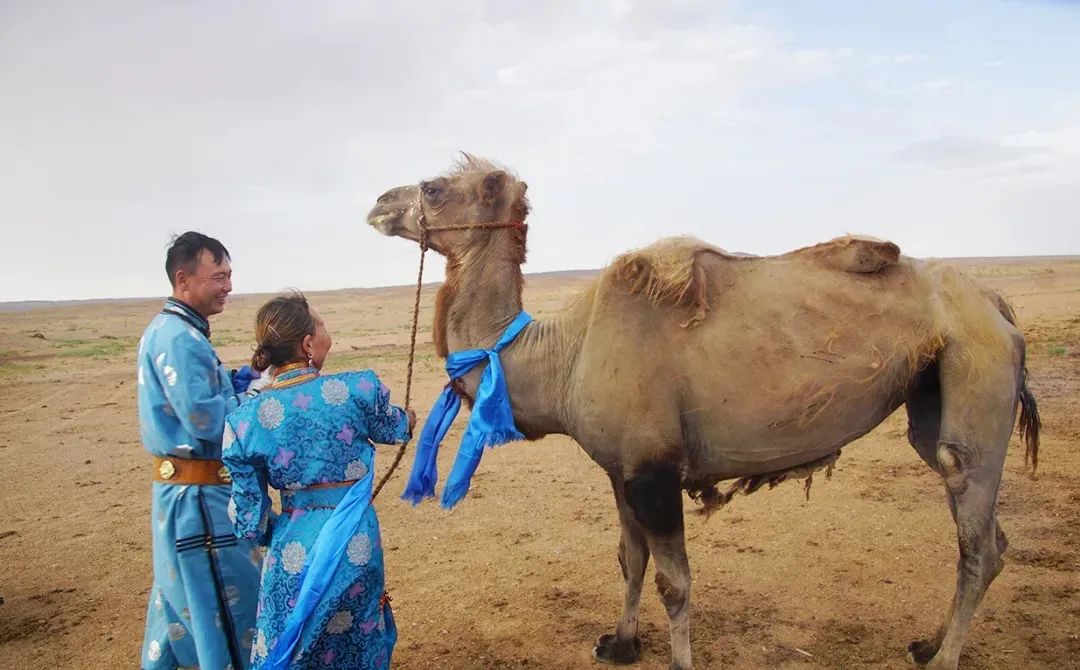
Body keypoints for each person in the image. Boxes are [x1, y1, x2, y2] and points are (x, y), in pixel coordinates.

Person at [222, 292, 415, 669]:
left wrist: (287, 530)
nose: (329, 335)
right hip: (354, 542)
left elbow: (248, 523)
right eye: (322, 327)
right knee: (356, 641)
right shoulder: (358, 391)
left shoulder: (243, 422)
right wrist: (409, 418)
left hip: (291, 550)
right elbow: (395, 428)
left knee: (292, 649)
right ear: (307, 344)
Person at [137, 232, 265, 669]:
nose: (228, 285)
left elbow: (205, 397)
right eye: (219, 276)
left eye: (230, 275)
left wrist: (242, 379)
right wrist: (259, 401)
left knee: (183, 609)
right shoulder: (179, 338)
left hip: (184, 497)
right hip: (200, 504)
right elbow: (206, 421)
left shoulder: (176, 331)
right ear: (183, 278)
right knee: (226, 613)